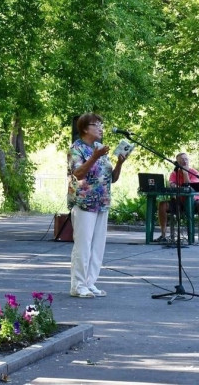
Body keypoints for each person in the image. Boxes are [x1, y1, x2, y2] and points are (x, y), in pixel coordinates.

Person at [67, 113, 126, 299]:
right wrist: (94, 156)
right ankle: (78, 285)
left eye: (102, 125)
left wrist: (119, 163)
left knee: (97, 246)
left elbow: (112, 178)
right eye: (96, 125)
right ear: (85, 128)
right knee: (83, 245)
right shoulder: (76, 148)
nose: (101, 128)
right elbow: (78, 173)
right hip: (84, 202)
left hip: (102, 202)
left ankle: (90, 282)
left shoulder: (99, 149)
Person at [156, 153, 199, 245]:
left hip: (194, 202)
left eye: (186, 159)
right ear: (178, 162)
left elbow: (189, 188)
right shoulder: (174, 173)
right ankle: (163, 235)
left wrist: (185, 173)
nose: (185, 161)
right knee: (162, 204)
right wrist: (175, 185)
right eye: (182, 160)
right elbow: (172, 185)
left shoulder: (195, 172)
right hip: (179, 202)